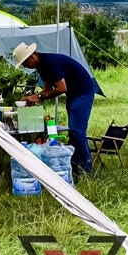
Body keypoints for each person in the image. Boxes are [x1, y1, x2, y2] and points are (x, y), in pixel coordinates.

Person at [13, 42, 103, 174]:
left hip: (83, 92)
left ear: (32, 57)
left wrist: (39, 98)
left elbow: (61, 88)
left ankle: (86, 169)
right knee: (73, 131)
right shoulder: (41, 67)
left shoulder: (50, 62)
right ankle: (74, 165)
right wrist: (33, 98)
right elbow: (47, 90)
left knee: (78, 131)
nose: (26, 67)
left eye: (25, 63)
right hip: (72, 94)